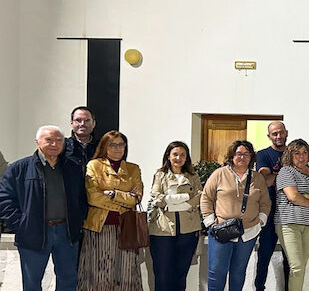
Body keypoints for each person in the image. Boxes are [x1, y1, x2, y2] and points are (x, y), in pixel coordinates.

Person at [0, 125, 87, 291]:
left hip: (66, 233)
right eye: (49, 140)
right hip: (33, 233)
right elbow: (5, 199)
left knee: (68, 279)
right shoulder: (19, 168)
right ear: (37, 142)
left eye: (59, 140)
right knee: (32, 282)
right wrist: (21, 225)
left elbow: (82, 197)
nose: (55, 144)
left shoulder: (73, 167)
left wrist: (79, 220)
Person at [77, 130, 144, 291]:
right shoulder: (94, 165)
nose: (117, 148)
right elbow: (93, 198)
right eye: (112, 145)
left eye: (121, 144)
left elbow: (136, 198)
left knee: (126, 273)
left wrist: (114, 194)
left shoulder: (133, 168)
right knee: (98, 274)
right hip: (99, 227)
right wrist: (124, 200)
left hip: (126, 228)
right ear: (104, 146)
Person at [200, 140, 271, 291]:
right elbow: (206, 197)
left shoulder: (257, 178)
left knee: (238, 272)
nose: (242, 157)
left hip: (249, 232)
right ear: (232, 156)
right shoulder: (219, 174)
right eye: (239, 154)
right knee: (216, 272)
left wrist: (261, 220)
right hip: (222, 230)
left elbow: (265, 202)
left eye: (246, 154)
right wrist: (210, 222)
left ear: (251, 157)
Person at [275, 139, 309, 291]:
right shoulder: (286, 171)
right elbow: (293, 196)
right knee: (297, 267)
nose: (301, 157)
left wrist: (304, 195)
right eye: (297, 153)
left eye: (305, 152)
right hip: (289, 224)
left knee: (301, 267)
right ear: (290, 155)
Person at [147, 141, 203, 291]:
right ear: (168, 156)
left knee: (180, 274)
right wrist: (185, 197)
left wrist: (171, 203)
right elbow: (157, 198)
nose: (179, 158)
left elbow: (199, 197)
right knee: (162, 274)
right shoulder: (160, 175)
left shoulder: (193, 176)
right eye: (175, 154)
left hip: (188, 230)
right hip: (162, 230)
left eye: (183, 155)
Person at [255, 121, 290, 291]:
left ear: (286, 133)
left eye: (281, 132)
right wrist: (289, 175)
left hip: (290, 212)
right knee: (264, 255)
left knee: (289, 258)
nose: (278, 136)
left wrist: (275, 174)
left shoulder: (295, 153)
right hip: (269, 212)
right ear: (269, 136)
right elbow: (265, 180)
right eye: (274, 133)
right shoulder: (263, 154)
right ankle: (259, 287)